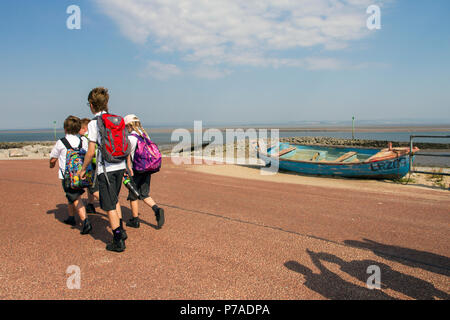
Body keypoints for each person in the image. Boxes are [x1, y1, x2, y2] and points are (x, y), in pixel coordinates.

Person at [79, 87, 128, 252]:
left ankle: (118, 240)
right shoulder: (116, 119)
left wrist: (83, 169)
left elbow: (91, 151)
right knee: (114, 199)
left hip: (105, 168)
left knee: (108, 206)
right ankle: (122, 230)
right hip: (120, 164)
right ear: (106, 103)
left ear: (91, 105)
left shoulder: (94, 123)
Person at [49, 115, 92, 234]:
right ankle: (71, 217)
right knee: (71, 196)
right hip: (80, 173)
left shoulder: (61, 142)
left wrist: (51, 165)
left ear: (65, 128)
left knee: (75, 197)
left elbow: (53, 159)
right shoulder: (81, 141)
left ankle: (85, 221)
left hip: (67, 176)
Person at [123, 114, 165, 229]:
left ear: (129, 125)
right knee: (144, 193)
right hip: (147, 168)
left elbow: (128, 155)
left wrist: (127, 169)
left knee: (133, 195)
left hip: (136, 170)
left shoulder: (131, 138)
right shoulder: (145, 135)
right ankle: (157, 209)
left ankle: (135, 220)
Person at [79, 118, 99, 214]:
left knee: (92, 187)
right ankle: (90, 204)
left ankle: (108, 203)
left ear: (84, 128)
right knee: (90, 185)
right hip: (98, 163)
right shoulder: (96, 136)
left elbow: (85, 152)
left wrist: (83, 168)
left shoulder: (84, 138)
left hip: (90, 165)